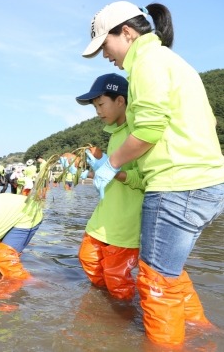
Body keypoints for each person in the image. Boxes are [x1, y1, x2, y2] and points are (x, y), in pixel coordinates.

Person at [82, 1, 224, 345]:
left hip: (177, 184)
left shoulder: (147, 63)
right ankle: (204, 333)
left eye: (106, 45)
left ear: (127, 33)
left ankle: (166, 344)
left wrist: (111, 164)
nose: (106, 55)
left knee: (156, 283)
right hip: (206, 181)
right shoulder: (171, 62)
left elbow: (147, 130)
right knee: (168, 275)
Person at [75, 73, 144, 301]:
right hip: (102, 218)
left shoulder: (138, 134)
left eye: (101, 104)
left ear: (120, 100)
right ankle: (103, 306)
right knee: (88, 258)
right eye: (95, 106)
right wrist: (100, 165)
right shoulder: (113, 133)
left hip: (124, 224)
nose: (98, 111)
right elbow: (111, 172)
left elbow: (143, 179)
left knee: (117, 277)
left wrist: (115, 171)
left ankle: (121, 315)